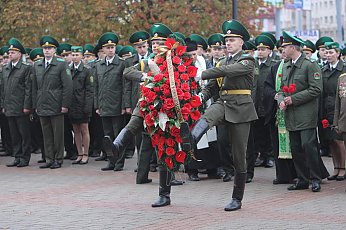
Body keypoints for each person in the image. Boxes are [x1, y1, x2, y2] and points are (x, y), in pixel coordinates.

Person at [181, 19, 258, 211]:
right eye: (227, 40)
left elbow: (228, 71)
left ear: (241, 42)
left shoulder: (247, 60)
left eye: (232, 40)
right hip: (223, 103)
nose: (228, 43)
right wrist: (200, 96)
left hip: (241, 108)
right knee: (208, 116)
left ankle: (237, 198)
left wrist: (204, 73)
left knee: (239, 156)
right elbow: (213, 86)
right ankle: (190, 139)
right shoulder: (223, 61)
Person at [278, 31, 326, 192]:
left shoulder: (309, 65)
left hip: (306, 114)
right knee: (296, 148)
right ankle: (303, 179)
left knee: (308, 146)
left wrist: (293, 99)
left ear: (293, 47)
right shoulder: (286, 66)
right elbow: (281, 90)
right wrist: (281, 101)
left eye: (285, 47)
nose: (282, 50)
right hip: (291, 114)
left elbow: (316, 89)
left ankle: (315, 178)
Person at [32, 35, 73, 169]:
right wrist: (35, 105)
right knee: (47, 135)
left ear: (55, 50)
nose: (47, 50)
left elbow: (67, 86)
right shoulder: (37, 65)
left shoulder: (61, 64)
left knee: (57, 135)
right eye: (45, 48)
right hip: (42, 104)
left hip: (56, 104)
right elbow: (34, 87)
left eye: (50, 48)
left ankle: (58, 158)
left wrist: (65, 105)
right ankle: (49, 158)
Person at [94, 32, 131, 171]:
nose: (110, 50)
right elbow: (96, 87)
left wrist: (124, 105)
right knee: (107, 136)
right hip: (104, 106)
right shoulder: (99, 65)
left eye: (112, 47)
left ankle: (119, 162)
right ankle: (111, 161)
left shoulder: (121, 64)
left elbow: (125, 86)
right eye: (107, 47)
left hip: (116, 106)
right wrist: (97, 105)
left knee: (118, 136)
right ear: (103, 50)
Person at [264, 42, 297, 184]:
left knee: (295, 145)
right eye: (281, 50)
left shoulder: (297, 67)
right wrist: (274, 95)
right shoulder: (275, 67)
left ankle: (297, 173)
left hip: (293, 111)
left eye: (285, 49)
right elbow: (267, 87)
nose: (283, 52)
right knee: (277, 144)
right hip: (277, 113)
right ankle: (282, 175)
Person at [1, 38, 32, 167]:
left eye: (13, 52)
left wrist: (26, 106)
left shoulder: (25, 68)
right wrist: (3, 105)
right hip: (9, 107)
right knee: (14, 135)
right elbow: (3, 89)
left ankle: (25, 158)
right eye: (9, 52)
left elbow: (28, 89)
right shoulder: (6, 69)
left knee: (24, 134)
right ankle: (17, 156)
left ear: (20, 54)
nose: (10, 54)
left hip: (20, 107)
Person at [321, 42, 346, 181]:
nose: (328, 55)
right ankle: (336, 167)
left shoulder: (343, 70)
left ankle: (343, 167)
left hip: (340, 109)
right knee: (331, 139)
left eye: (331, 52)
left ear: (338, 54)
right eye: (327, 52)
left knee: (339, 139)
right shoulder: (324, 70)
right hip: (327, 108)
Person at [253, 34, 278, 168]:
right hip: (256, 103)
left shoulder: (273, 65)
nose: (260, 52)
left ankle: (269, 156)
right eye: (259, 49)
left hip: (268, 104)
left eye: (263, 50)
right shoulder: (253, 64)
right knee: (258, 133)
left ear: (269, 51)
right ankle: (261, 155)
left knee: (269, 132)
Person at [69, 46, 94, 165]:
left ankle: (86, 154)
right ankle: (79, 153)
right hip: (73, 104)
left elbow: (89, 90)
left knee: (84, 129)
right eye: (73, 55)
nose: (74, 57)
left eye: (77, 55)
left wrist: (88, 106)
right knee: (76, 130)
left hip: (83, 103)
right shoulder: (68, 69)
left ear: (82, 56)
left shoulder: (86, 70)